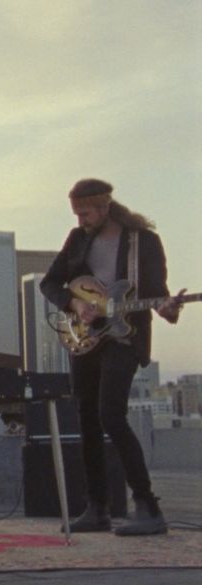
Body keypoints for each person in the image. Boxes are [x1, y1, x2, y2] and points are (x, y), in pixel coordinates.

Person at [40, 178, 184, 536]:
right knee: (87, 419)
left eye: (85, 213)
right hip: (86, 338)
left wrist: (169, 309)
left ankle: (148, 507)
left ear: (104, 207)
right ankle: (97, 508)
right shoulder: (78, 240)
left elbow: (158, 296)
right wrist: (74, 303)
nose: (80, 220)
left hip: (125, 337)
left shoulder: (143, 241)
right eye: (76, 214)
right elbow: (50, 282)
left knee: (111, 415)